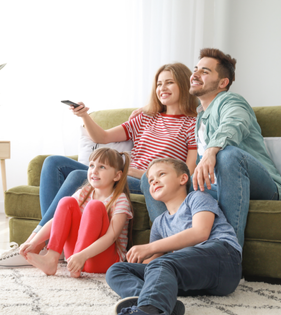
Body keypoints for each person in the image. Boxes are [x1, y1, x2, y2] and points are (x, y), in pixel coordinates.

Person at [0, 62, 198, 267]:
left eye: (169, 83)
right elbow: (102, 137)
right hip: (123, 172)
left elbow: (187, 173)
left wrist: (136, 172)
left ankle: (35, 244)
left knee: (78, 176)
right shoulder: (145, 118)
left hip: (147, 181)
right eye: (159, 84)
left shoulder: (192, 123)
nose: (162, 88)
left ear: (184, 85)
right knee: (53, 163)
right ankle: (44, 242)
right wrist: (85, 115)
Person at [140, 48, 281, 248]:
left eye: (205, 71)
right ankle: (169, 252)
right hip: (215, 187)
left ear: (223, 82)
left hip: (260, 184)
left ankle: (228, 255)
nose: (196, 74)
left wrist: (211, 151)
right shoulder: (200, 118)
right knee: (150, 181)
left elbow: (234, 123)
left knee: (228, 156)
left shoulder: (232, 101)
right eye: (196, 69)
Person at [106, 158, 242, 315]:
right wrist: (137, 259)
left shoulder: (197, 198)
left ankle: (147, 310)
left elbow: (201, 232)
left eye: (161, 174)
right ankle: (157, 304)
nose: (154, 181)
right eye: (150, 180)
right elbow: (153, 266)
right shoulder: (159, 223)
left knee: (164, 264)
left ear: (183, 179)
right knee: (116, 270)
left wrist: (149, 247)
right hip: (192, 279)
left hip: (223, 261)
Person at [19, 148, 133, 277]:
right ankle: (51, 258)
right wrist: (33, 242)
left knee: (94, 206)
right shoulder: (85, 192)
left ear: (117, 175)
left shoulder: (120, 199)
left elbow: (111, 236)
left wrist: (81, 256)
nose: (94, 171)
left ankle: (77, 262)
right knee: (66, 202)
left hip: (102, 260)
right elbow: (56, 220)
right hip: (75, 259)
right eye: (91, 165)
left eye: (102, 167)